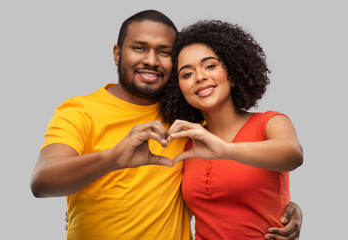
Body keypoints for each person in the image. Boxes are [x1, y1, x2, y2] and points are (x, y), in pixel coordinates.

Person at [30, 10, 302, 240]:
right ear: (117, 53)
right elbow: (42, 182)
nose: (150, 60)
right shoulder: (80, 111)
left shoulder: (187, 122)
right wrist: (112, 160)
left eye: (164, 52)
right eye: (139, 47)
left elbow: (264, 161)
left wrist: (283, 207)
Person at [159, 20, 304, 239]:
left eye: (210, 66)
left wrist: (226, 150)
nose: (199, 77)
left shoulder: (270, 123)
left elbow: (293, 155)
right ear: (179, 90)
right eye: (187, 74)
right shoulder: (186, 145)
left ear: (233, 74)